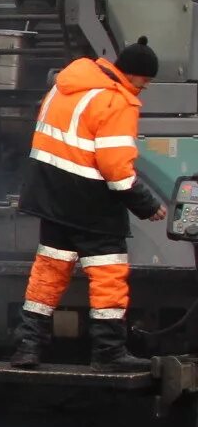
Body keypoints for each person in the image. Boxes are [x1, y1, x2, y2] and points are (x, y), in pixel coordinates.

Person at [11, 37, 166, 373]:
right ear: (135, 75)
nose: (147, 86)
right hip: (90, 204)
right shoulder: (115, 101)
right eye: (147, 79)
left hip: (50, 196)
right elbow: (116, 169)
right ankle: (109, 354)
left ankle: (28, 347)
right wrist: (147, 205)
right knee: (108, 274)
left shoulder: (66, 84)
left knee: (48, 273)